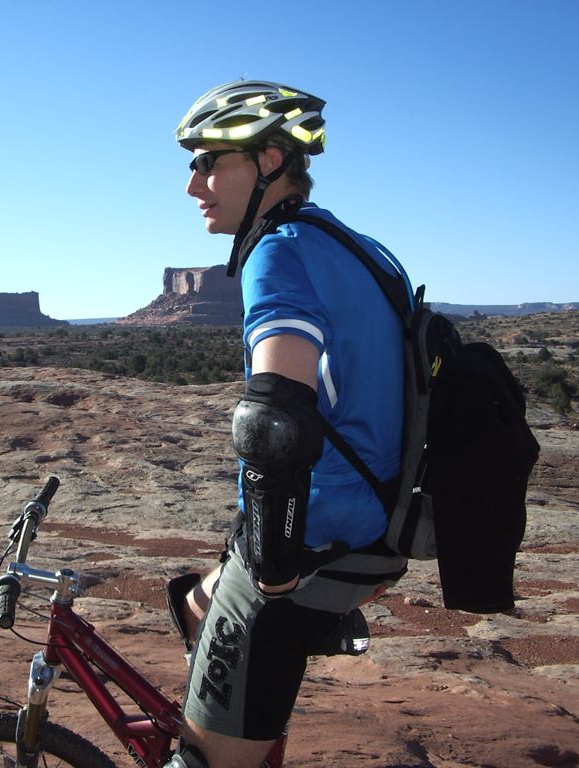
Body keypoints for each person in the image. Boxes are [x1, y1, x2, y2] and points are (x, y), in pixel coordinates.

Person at [164, 80, 413, 768]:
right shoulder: (357, 247)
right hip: (378, 522)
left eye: (208, 162)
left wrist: (273, 566)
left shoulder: (278, 251)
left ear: (269, 161)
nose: (193, 185)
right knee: (194, 603)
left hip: (313, 544)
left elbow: (274, 419)